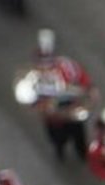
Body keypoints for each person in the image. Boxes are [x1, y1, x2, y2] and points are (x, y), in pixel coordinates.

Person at [24, 29, 94, 161]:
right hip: (53, 117)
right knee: (57, 139)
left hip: (71, 109)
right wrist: (42, 107)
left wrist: (89, 90)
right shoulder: (34, 77)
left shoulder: (66, 66)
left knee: (79, 135)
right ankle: (60, 150)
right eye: (42, 64)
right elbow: (31, 99)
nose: (45, 69)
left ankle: (82, 153)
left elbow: (81, 78)